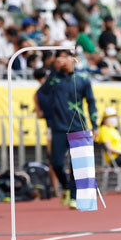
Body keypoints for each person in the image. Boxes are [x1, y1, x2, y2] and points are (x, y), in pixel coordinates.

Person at [38, 48, 98, 208]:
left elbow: (91, 102)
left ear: (73, 59)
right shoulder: (55, 79)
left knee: (76, 165)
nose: (62, 61)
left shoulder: (83, 79)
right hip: (58, 127)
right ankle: (65, 186)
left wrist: (95, 125)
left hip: (78, 126)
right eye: (59, 58)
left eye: (65, 57)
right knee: (56, 162)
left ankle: (73, 196)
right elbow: (42, 92)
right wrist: (54, 71)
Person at [33, 67, 59, 197]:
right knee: (64, 159)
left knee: (53, 159)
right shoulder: (56, 88)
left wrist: (44, 113)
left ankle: (55, 189)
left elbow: (39, 114)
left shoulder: (37, 94)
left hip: (51, 128)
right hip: (62, 126)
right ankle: (69, 189)